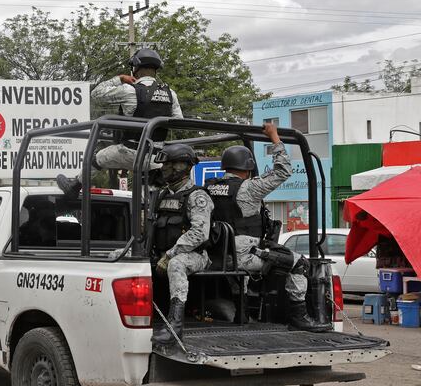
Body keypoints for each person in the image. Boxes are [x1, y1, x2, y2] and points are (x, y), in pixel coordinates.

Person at [204, 123, 328, 332]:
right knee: (299, 264)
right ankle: (299, 318)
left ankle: (241, 315)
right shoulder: (249, 188)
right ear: (248, 167)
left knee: (240, 272)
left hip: (218, 253)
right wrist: (274, 137)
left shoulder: (211, 187)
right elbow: (283, 171)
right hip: (243, 254)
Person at [56, 47, 183, 197]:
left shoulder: (129, 90)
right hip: (158, 157)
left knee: (97, 157)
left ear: (135, 69)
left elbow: (96, 93)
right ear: (156, 70)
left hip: (131, 152)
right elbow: (178, 121)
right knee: (149, 191)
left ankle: (75, 186)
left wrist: (120, 78)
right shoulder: (170, 94)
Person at [149, 144, 214, 346]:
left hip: (195, 256)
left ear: (183, 166)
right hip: (163, 253)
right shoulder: (161, 195)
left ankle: (174, 327)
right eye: (164, 164)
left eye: (169, 164)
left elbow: (199, 234)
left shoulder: (198, 196)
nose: (164, 168)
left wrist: (169, 255)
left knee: (177, 264)